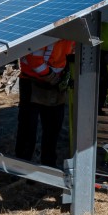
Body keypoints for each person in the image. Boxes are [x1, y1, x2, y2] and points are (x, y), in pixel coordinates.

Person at [14, 40, 75, 168]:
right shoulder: (46, 33)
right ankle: (21, 166)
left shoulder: (73, 33)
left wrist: (63, 77)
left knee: (53, 128)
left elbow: (71, 53)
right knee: (28, 128)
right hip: (31, 81)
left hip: (55, 82)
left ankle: (49, 165)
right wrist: (52, 77)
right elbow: (34, 60)